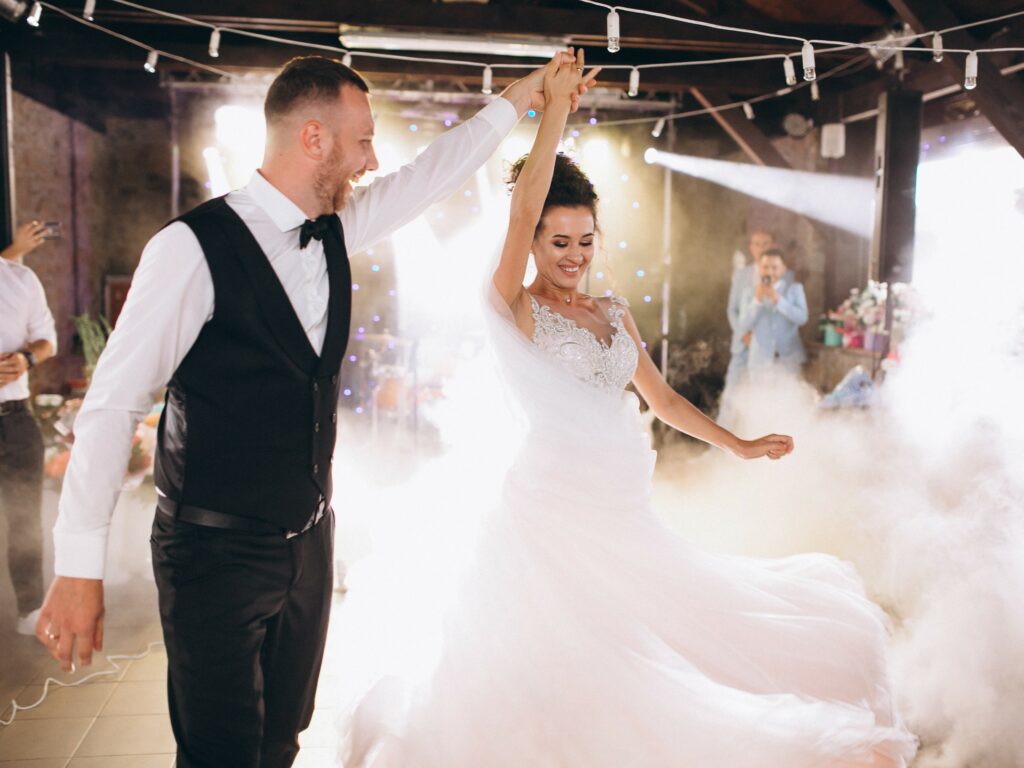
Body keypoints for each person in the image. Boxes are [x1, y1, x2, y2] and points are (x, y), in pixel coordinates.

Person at [341, 52, 916, 767]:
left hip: (620, 509)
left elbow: (664, 398)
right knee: (572, 658)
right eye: (558, 242)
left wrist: (736, 444)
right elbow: (524, 205)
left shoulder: (612, 312)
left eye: (585, 241)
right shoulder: (512, 306)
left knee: (673, 632)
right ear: (532, 243)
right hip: (549, 510)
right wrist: (553, 109)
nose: (573, 254)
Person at [35, 53, 597, 768]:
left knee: (281, 739)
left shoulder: (335, 228)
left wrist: (528, 95)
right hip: (212, 552)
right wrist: (78, 567)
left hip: (308, 543)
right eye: (362, 140)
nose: (372, 159)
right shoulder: (189, 249)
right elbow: (112, 406)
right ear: (313, 138)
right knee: (221, 752)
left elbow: (434, 173)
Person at [0, 247, 56, 635]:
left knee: (25, 519)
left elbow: (46, 340)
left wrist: (26, 360)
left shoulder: (20, 279)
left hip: (16, 418)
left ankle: (30, 609)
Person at [736, 247, 808, 374]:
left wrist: (779, 301)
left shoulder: (795, 289)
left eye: (774, 267)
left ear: (783, 269)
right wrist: (757, 301)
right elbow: (742, 325)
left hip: (789, 360)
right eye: (765, 267)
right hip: (759, 363)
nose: (769, 271)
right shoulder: (749, 293)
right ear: (759, 267)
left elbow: (802, 318)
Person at [725, 227, 774, 385]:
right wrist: (743, 334)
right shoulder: (741, 275)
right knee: (732, 391)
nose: (761, 248)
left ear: (772, 246)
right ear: (751, 247)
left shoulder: (781, 275)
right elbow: (732, 309)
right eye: (757, 244)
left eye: (765, 244)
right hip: (742, 343)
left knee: (762, 393)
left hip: (766, 346)